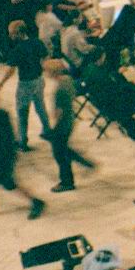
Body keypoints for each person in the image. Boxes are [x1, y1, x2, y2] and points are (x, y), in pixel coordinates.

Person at [0, 88, 45, 219]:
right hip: (4, 156)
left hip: (0, 158)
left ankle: (36, 202)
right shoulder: (1, 114)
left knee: (8, 183)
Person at [44, 60, 93, 192]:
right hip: (70, 119)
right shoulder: (68, 80)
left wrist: (54, 124)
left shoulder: (59, 88)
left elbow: (58, 112)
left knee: (59, 153)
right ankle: (85, 162)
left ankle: (67, 181)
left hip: (63, 124)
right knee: (63, 148)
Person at [7, 20, 50, 151]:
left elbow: (11, 70)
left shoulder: (18, 50)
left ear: (19, 33)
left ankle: (22, 140)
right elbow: (46, 55)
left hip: (25, 84)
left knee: (22, 112)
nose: (11, 36)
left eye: (12, 34)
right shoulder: (37, 42)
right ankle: (47, 130)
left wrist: (1, 82)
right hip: (38, 80)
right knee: (40, 106)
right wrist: (42, 67)